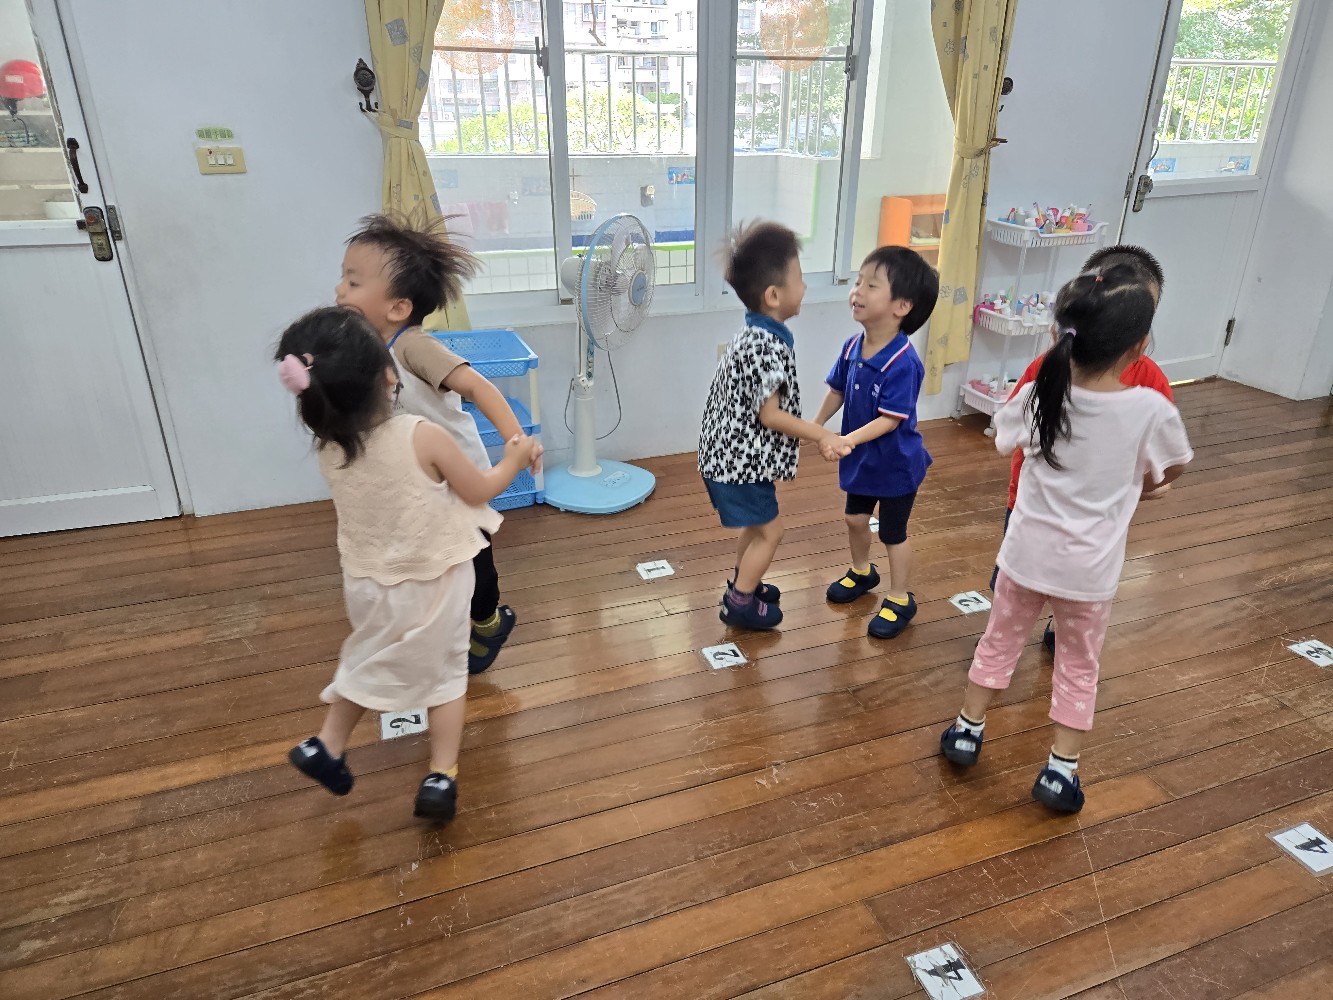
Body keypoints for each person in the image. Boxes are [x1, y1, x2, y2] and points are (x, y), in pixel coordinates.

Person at [940, 264, 1193, 814]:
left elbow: (1003, 440)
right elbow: (1173, 468)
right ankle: (1060, 771)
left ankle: (966, 730)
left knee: (999, 641)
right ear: (1140, 347)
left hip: (1025, 558)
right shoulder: (1150, 409)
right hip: (1089, 574)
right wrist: (1142, 486)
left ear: (1059, 334)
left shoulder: (1038, 393)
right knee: (1079, 665)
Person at [277, 307, 539, 822]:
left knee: (369, 655)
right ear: (389, 376)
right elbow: (479, 490)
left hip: (367, 582)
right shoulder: (421, 434)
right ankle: (441, 775)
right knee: (446, 675)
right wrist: (514, 457)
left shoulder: (329, 448)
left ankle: (327, 744)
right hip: (433, 579)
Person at [337, 212, 541, 674]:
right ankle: (436, 624)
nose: (339, 291)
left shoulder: (413, 347)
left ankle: (487, 620)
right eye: (342, 279)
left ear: (397, 308)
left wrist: (517, 441)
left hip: (459, 476)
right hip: (416, 479)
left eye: (353, 282)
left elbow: (479, 388)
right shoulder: (364, 348)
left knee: (472, 554)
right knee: (432, 557)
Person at [991, 245, 1173, 654]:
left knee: (1076, 591)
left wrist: (1147, 483)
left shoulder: (1150, 384)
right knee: (1013, 585)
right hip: (1032, 506)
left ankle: (1059, 625)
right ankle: (1004, 637)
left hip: (1097, 517)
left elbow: (1159, 457)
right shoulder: (1047, 368)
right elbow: (1013, 429)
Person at [697, 221, 850, 631]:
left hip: (732, 460)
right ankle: (740, 603)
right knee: (772, 532)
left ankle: (742, 582)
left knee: (757, 525)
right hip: (737, 465)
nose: (805, 286)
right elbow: (771, 416)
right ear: (774, 296)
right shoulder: (766, 345)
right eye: (799, 278)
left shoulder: (756, 334)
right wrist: (822, 433)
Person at [813, 246, 938, 639]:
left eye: (871, 285)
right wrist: (816, 426)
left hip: (896, 464)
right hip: (863, 460)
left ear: (901, 306)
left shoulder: (903, 362)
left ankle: (900, 598)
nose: (857, 291)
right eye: (857, 281)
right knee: (854, 519)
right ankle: (862, 572)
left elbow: (889, 420)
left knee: (892, 532)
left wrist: (845, 439)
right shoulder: (852, 347)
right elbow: (837, 390)